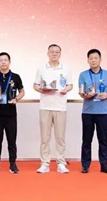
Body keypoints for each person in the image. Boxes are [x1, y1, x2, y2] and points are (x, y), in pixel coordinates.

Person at [33, 44, 73, 174]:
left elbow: (70, 85)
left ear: (60, 54)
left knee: (60, 137)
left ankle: (61, 163)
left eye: (57, 52)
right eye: (52, 52)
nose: (54, 54)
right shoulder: (41, 68)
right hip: (45, 106)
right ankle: (45, 163)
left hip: (60, 106)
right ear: (48, 53)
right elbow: (35, 85)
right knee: (45, 137)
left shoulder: (65, 68)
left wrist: (65, 90)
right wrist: (41, 89)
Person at [78, 48, 107, 174]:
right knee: (86, 140)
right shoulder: (83, 75)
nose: (93, 60)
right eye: (91, 58)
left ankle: (104, 165)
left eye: (96, 58)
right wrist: (86, 95)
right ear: (88, 60)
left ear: (100, 59)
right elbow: (81, 92)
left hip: (103, 112)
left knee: (103, 140)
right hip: (88, 112)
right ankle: (85, 165)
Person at [0, 52, 25, 174]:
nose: (3, 62)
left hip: (11, 114)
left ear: (9, 62)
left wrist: (16, 99)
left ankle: (13, 164)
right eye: (1, 60)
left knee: (11, 141)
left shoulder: (16, 77)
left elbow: (22, 92)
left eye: (5, 60)